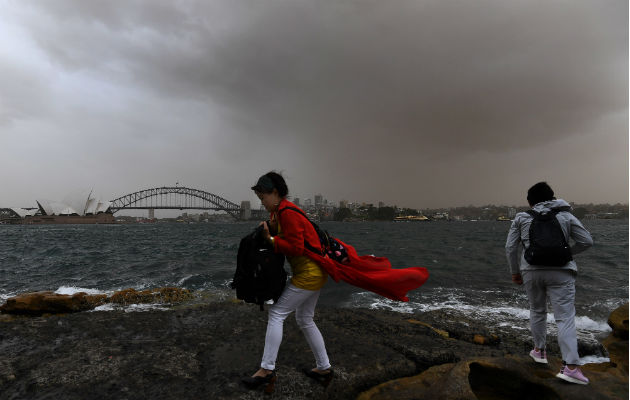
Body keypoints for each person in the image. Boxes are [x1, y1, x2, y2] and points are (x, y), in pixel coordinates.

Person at [242, 171, 333, 392]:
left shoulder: (288, 213)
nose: (262, 202)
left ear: (275, 193)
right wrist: (272, 231)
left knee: (277, 313)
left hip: (309, 274)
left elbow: (296, 247)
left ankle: (266, 370)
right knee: (305, 318)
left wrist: (270, 239)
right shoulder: (282, 212)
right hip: (317, 271)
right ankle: (324, 368)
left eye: (263, 197)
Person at [505, 182, 593, 385]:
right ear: (553, 198)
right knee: (564, 318)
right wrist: (566, 253)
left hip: (531, 271)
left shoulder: (521, 217)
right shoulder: (565, 215)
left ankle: (539, 352)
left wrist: (514, 272)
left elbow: (510, 248)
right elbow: (587, 241)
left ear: (530, 201)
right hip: (562, 271)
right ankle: (570, 367)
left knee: (537, 310)